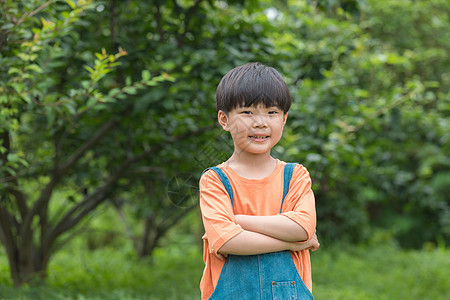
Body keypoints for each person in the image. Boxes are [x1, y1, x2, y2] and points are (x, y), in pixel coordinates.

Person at [199, 62, 319, 300]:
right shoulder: (215, 180)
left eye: (272, 112)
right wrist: (291, 244)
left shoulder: (295, 176)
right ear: (224, 120)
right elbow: (228, 241)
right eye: (247, 112)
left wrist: (239, 220)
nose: (261, 122)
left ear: (284, 118)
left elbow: (303, 228)